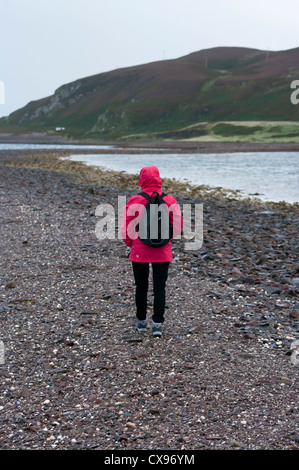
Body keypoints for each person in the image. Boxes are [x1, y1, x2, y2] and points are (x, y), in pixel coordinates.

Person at [121, 166, 183, 337]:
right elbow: (177, 227)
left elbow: (127, 227)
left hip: (140, 250)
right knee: (160, 288)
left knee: (141, 287)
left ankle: (141, 322)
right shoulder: (169, 200)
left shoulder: (135, 199)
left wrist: (131, 244)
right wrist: (166, 240)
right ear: (158, 179)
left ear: (142, 179)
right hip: (162, 250)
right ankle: (157, 325)